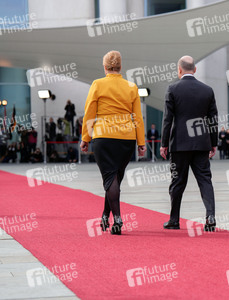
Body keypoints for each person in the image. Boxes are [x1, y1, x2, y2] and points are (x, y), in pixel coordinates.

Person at [80, 50, 146, 235]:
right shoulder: (131, 87)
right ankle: (105, 215)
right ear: (120, 66)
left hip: (103, 136)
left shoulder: (97, 84)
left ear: (105, 67)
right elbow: (138, 118)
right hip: (126, 138)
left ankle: (117, 218)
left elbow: (90, 113)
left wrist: (86, 138)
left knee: (110, 179)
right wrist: (141, 142)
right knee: (114, 178)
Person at [160, 55, 218, 232]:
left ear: (179, 70)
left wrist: (164, 144)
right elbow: (213, 119)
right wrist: (213, 143)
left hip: (179, 145)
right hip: (201, 144)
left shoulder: (173, 89)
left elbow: (167, 120)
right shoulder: (207, 90)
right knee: (205, 180)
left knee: (177, 182)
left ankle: (174, 220)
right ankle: (210, 216)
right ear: (194, 70)